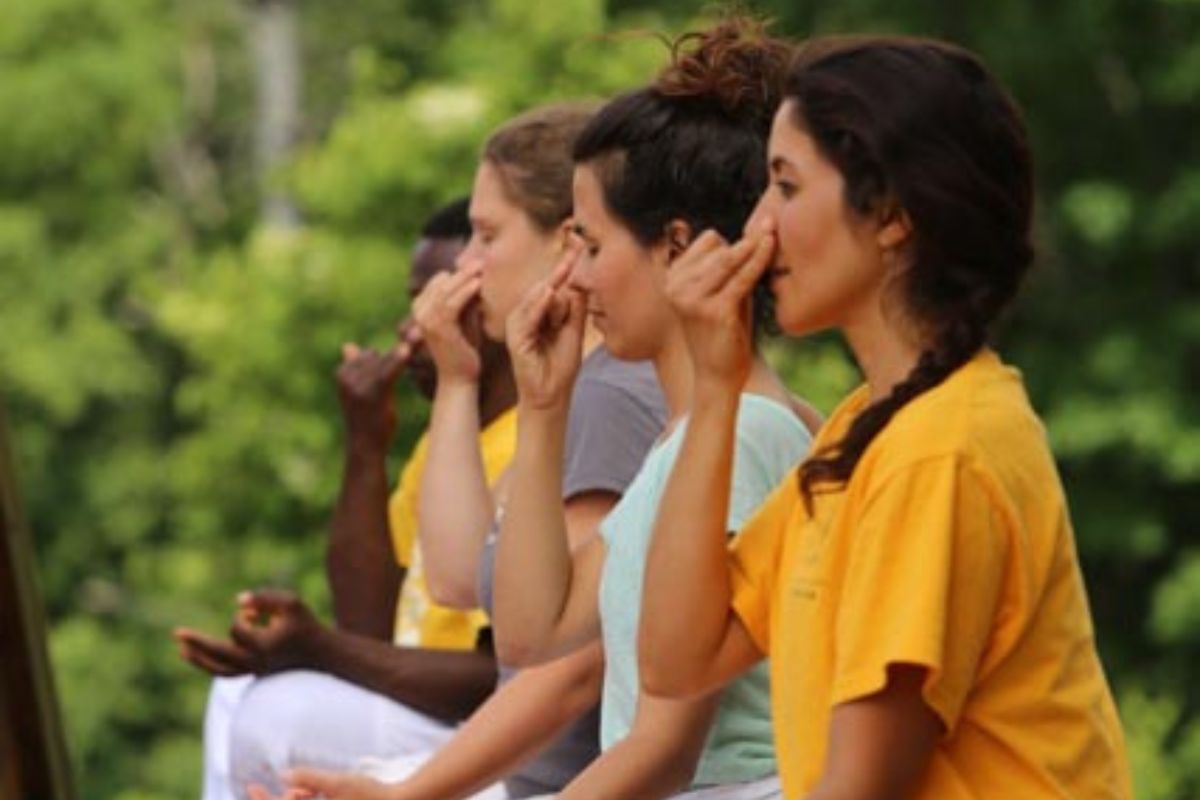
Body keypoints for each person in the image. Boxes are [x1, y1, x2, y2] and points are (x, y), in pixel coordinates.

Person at [637, 36, 1135, 800]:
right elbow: (677, 659)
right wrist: (713, 391)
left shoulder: (939, 449)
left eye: (786, 186)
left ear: (894, 214)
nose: (758, 226)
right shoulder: (864, 430)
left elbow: (861, 785)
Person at [268, 102, 668, 800]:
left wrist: (414, 794)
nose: (466, 264)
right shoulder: (570, 388)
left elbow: (567, 665)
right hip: (530, 780)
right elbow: (456, 578)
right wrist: (457, 379)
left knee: (274, 722)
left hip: (565, 782)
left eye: (487, 235)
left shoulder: (612, 395)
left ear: (567, 243)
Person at [487, 19, 817, 800]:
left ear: (674, 246)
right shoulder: (692, 436)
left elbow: (667, 745)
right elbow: (532, 631)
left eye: (593, 246)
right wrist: (543, 406)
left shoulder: (746, 432)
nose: (576, 279)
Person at [174, 198, 518, 800]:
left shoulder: (526, 440)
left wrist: (320, 649)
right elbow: (369, 625)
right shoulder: (447, 443)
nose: (412, 327)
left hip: (489, 732)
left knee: (275, 715)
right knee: (237, 693)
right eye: (414, 302)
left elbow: (498, 678)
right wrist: (365, 444)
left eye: (441, 300)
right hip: (422, 710)